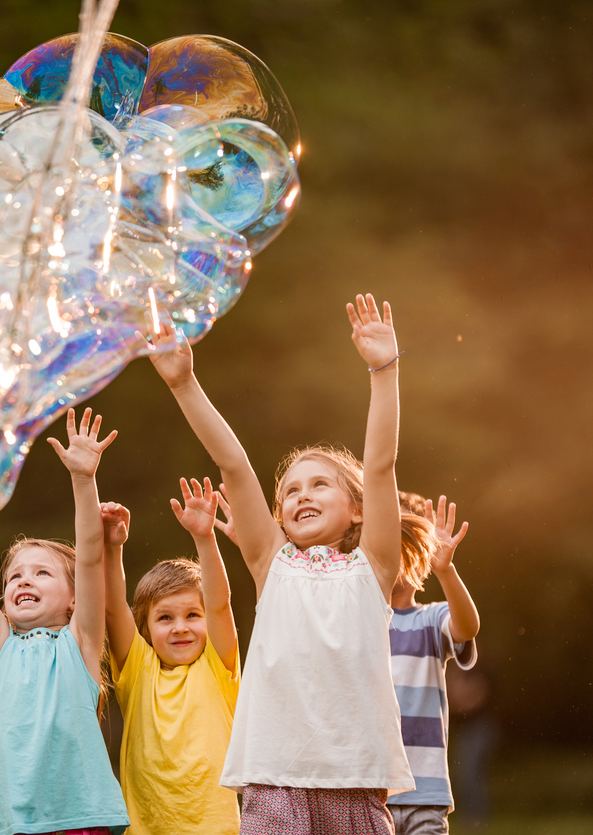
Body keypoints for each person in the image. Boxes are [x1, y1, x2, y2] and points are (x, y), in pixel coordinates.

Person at [149, 294, 413, 834]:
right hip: (274, 780)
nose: (302, 495)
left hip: (355, 779)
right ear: (280, 516)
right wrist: (183, 383)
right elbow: (233, 463)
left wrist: (384, 372)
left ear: (357, 507)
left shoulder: (373, 569)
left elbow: (381, 466)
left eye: (320, 485)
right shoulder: (272, 563)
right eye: (291, 491)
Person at [0, 409, 129, 835]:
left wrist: (83, 479)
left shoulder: (81, 641)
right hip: (15, 826)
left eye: (42, 573)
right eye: (15, 575)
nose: (23, 580)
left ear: (74, 599)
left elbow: (90, 556)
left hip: (81, 823)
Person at [102, 480, 241, 835]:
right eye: (165, 618)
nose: (180, 627)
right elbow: (114, 609)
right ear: (146, 629)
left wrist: (204, 538)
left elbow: (220, 604)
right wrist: (113, 549)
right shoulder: (138, 670)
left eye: (193, 615)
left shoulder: (217, 666)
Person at [388, 493, 480, 835]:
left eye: (404, 546)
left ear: (423, 555)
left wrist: (446, 570)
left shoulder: (431, 618)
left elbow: (467, 628)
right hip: (370, 792)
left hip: (425, 793)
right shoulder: (358, 620)